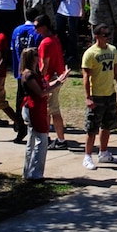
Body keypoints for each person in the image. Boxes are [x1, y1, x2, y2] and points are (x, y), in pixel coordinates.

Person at [81, 25, 117, 169]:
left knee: (107, 126)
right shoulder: (90, 53)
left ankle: (104, 153)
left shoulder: (112, 50)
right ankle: (87, 157)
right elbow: (86, 77)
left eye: (109, 34)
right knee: (92, 128)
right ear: (97, 36)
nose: (108, 37)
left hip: (109, 94)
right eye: (105, 35)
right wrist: (88, 97)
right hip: (97, 96)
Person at [36, 15, 70, 149]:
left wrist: (39, 79)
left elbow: (44, 66)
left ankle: (61, 140)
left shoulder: (45, 43)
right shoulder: (54, 39)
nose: (35, 29)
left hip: (50, 80)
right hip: (57, 78)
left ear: (44, 27)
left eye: (36, 26)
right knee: (48, 111)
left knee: (53, 111)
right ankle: (47, 137)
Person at [18, 50, 50, 181]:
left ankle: (28, 172)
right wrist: (58, 84)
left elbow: (44, 86)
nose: (39, 56)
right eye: (36, 55)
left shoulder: (34, 73)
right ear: (31, 58)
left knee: (32, 140)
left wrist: (58, 80)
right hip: (32, 108)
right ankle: (35, 173)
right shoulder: (28, 75)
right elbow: (41, 92)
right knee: (41, 140)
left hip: (36, 108)